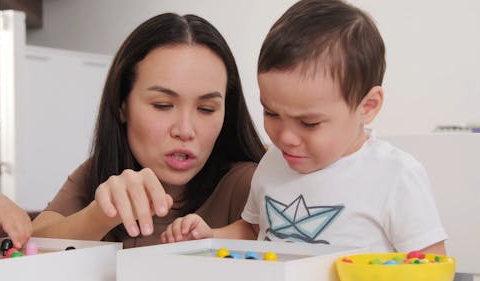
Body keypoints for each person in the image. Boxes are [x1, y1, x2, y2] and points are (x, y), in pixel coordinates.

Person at [161, 0, 447, 254]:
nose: (285, 137)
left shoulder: (394, 175)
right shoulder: (273, 161)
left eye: (309, 123)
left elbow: (432, 265)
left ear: (367, 106)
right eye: (271, 113)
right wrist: (210, 235)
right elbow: (251, 230)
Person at [31, 13, 266, 248]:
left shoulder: (250, 184)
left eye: (206, 109)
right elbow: (32, 245)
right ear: (122, 105)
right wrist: (100, 215)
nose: (185, 130)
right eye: (163, 105)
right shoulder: (101, 172)